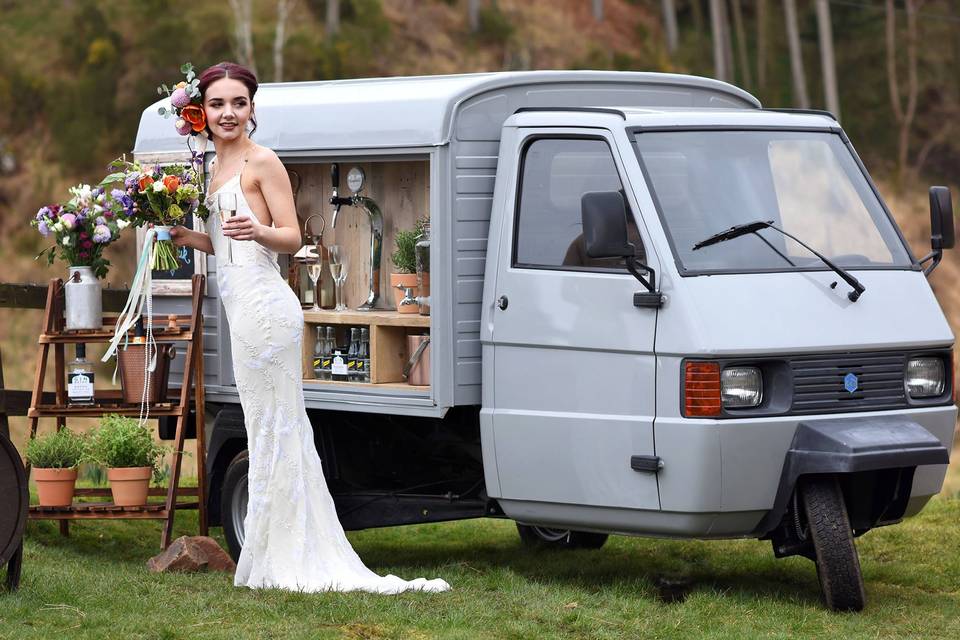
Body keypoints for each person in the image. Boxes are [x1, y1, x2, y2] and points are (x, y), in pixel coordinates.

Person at [168, 61, 450, 594]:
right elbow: (226, 243)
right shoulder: (208, 167)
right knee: (262, 428)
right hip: (240, 311)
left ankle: (294, 553)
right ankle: (269, 548)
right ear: (200, 111)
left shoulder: (262, 161)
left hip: (269, 310)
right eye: (217, 104)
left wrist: (256, 229)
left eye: (239, 103)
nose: (228, 113)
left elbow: (291, 238)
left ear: (253, 109)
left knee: (280, 427)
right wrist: (191, 237)